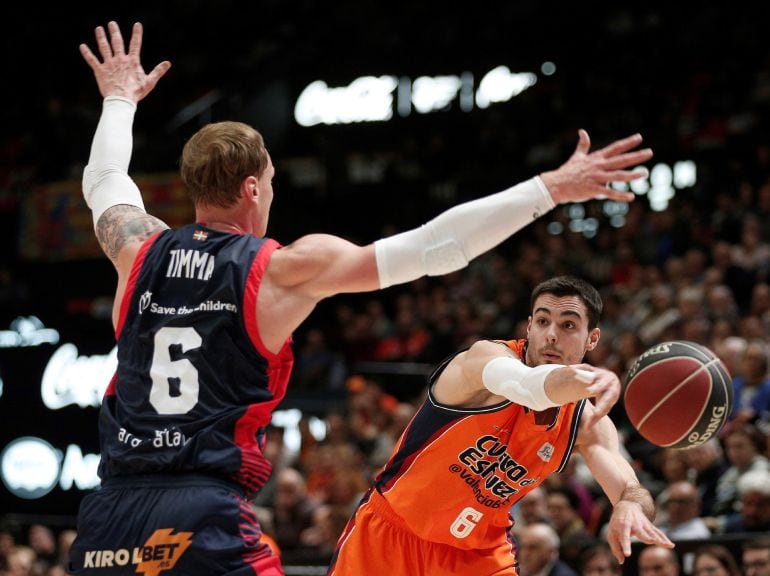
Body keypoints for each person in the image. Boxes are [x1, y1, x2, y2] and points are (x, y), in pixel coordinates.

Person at [67, 20, 654, 576]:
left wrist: (120, 99)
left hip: (111, 511)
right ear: (253, 187)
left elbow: (104, 181)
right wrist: (551, 187)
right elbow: (436, 246)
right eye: (270, 180)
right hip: (202, 507)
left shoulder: (135, 249)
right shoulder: (281, 270)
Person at [328, 276, 673, 575]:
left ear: (592, 338)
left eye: (568, 325)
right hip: (391, 534)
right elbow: (530, 388)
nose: (551, 335)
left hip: (478, 555)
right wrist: (587, 380)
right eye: (542, 322)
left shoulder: (586, 422)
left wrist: (629, 505)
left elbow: (632, 488)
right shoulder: (484, 361)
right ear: (528, 326)